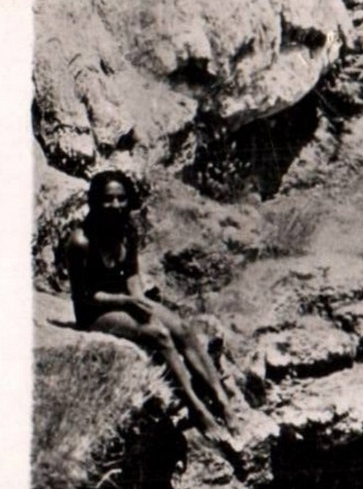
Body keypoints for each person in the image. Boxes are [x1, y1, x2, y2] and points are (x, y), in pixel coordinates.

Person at [66, 170, 236, 440]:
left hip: (124, 300)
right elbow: (83, 296)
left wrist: (139, 300)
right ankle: (197, 407)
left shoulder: (127, 231)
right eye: (108, 199)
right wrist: (127, 301)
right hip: (95, 312)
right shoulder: (81, 242)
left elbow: (132, 273)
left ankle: (222, 398)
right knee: (159, 335)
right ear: (96, 202)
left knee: (182, 328)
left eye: (121, 199)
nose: (116, 205)